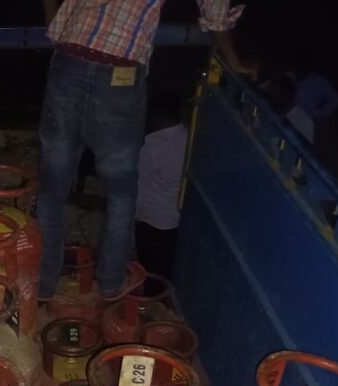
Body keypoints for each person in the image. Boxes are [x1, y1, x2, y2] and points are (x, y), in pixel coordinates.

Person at [37, 0, 253, 302]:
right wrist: (234, 60)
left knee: (52, 188)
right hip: (119, 72)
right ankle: (110, 283)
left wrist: (56, 24)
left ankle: (43, 283)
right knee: (121, 192)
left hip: (68, 59)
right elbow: (215, 13)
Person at [134, 92, 189, 280]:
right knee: (168, 268)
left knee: (150, 270)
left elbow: (141, 185)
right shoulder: (190, 138)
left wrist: (136, 217)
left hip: (153, 219)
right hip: (178, 218)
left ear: (155, 116)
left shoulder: (152, 144)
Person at [263, 75, 315, 143]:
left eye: (274, 94)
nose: (270, 99)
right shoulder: (268, 109)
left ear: (286, 96)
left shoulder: (305, 123)